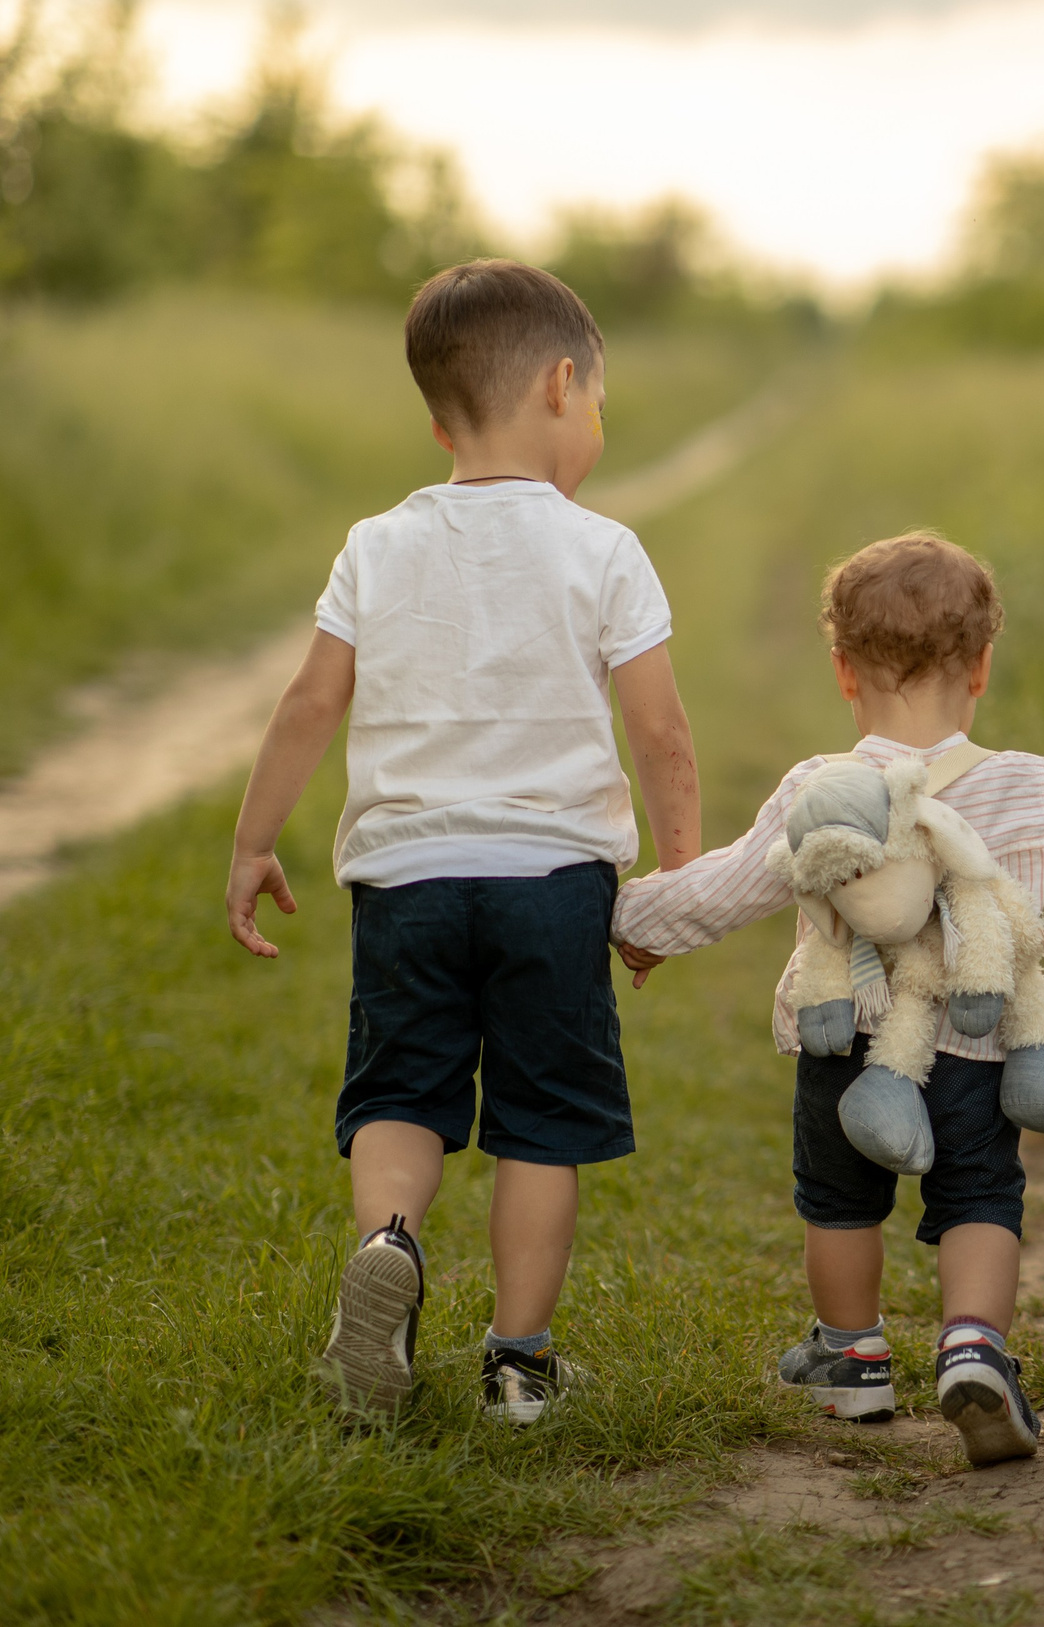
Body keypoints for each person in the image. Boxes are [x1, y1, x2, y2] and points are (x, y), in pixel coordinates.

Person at [224, 259, 701, 1425]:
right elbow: (661, 734)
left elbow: (309, 702)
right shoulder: (603, 549)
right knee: (540, 1125)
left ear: (439, 423)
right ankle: (518, 1366)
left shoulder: (375, 545)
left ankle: (387, 1243)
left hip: (406, 883)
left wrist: (254, 841)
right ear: (562, 385)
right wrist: (681, 879)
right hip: (552, 882)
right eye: (598, 403)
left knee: (401, 1092)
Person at [610, 533, 1044, 1466]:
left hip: (846, 1040)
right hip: (982, 1047)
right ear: (983, 667)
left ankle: (853, 1355)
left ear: (843, 671)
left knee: (838, 1199)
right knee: (981, 1194)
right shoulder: (1033, 787)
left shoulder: (819, 792)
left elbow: (725, 887)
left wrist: (634, 920)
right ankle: (973, 1346)